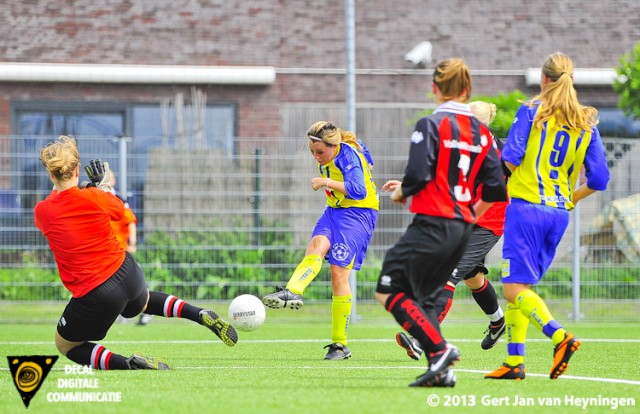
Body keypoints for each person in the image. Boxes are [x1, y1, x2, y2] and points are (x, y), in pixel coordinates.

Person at [34, 136, 238, 370]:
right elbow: (119, 211)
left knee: (67, 345)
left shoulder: (42, 211)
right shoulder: (96, 197)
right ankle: (198, 313)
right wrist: (103, 187)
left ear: (51, 174)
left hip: (96, 291)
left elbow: (59, 203)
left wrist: (84, 190)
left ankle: (129, 364)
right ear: (77, 169)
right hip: (128, 272)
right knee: (143, 302)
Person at [374, 58, 508, 387]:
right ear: (466, 91)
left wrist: (401, 192)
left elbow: (419, 175)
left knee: (388, 287)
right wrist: (469, 216)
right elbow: (495, 187)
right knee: (438, 285)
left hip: (434, 222)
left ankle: (436, 347)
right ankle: (441, 365)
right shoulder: (481, 135)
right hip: (462, 225)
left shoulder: (430, 125)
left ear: (435, 88)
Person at [485, 52, 610, 380]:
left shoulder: (531, 110)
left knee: (512, 290)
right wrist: (571, 198)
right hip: (558, 214)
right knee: (520, 285)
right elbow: (598, 180)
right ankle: (515, 362)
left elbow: (510, 159)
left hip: (525, 210)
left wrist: (481, 199)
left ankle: (560, 336)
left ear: (543, 79)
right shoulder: (587, 123)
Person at [393, 101, 509, 361]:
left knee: (447, 273)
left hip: (487, 221)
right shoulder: (466, 144)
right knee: (472, 276)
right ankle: (498, 321)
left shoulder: (497, 150)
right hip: (464, 218)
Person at [262, 121, 379, 360]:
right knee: (316, 246)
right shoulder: (338, 151)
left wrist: (326, 182)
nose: (316, 157)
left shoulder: (347, 157)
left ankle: (340, 344)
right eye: (312, 151)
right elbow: (368, 160)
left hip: (359, 213)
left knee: (338, 272)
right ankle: (292, 291)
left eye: (320, 152)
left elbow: (359, 190)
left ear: (333, 146)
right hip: (334, 210)